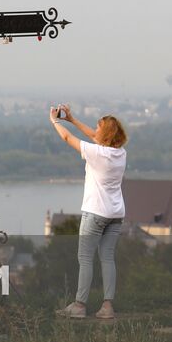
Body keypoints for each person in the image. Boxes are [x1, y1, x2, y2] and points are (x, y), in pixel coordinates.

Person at [49, 105, 128, 319]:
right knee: (107, 258)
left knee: (85, 258)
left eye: (98, 126)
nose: (95, 129)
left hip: (95, 212)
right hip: (116, 214)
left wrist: (55, 122)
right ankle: (107, 307)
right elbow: (94, 136)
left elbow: (67, 139)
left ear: (106, 133)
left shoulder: (95, 153)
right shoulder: (120, 153)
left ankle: (80, 305)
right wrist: (72, 119)